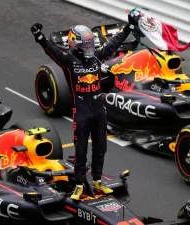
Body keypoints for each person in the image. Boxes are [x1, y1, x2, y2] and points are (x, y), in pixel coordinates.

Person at [31, 11, 137, 200]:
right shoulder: (68, 61)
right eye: (86, 44)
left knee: (101, 147)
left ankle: (97, 181)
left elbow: (114, 43)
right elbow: (52, 50)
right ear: (76, 45)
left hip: (98, 110)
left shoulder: (96, 57)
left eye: (91, 43)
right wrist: (40, 37)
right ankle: (79, 184)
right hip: (81, 112)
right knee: (80, 150)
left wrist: (129, 26)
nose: (90, 47)